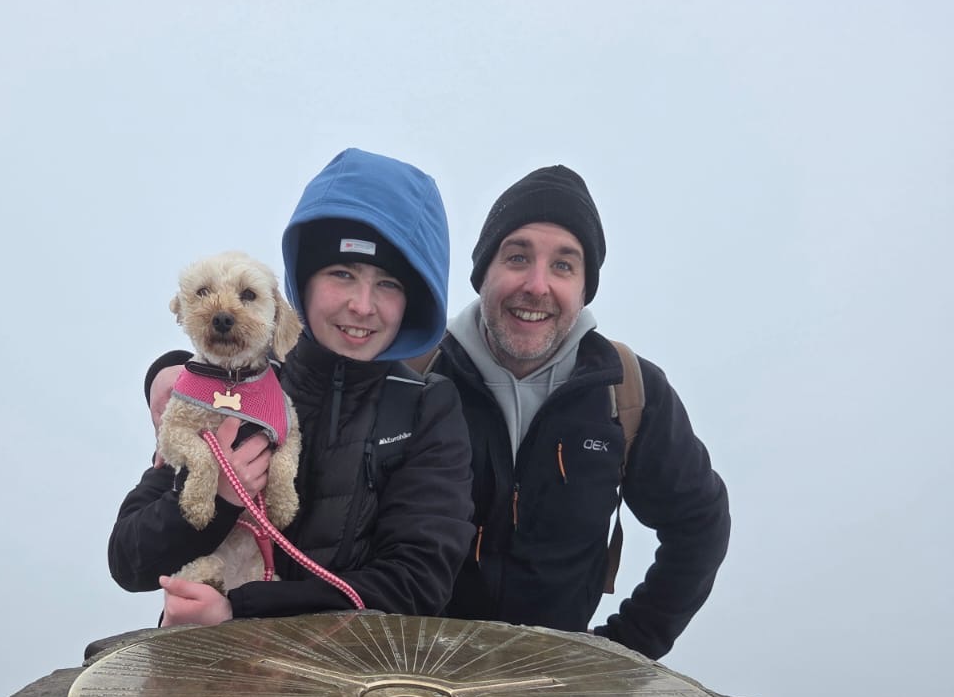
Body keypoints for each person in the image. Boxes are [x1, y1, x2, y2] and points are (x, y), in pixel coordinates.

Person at [109, 148, 474, 625]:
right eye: (342, 273)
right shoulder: (241, 387)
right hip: (211, 666)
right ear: (304, 281)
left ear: (413, 300)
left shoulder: (426, 408)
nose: (363, 306)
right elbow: (129, 560)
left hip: (348, 670)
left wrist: (238, 610)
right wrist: (221, 498)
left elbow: (418, 583)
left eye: (388, 284)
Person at [430, 165, 730, 660]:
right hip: (412, 676)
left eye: (564, 265)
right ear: (483, 271)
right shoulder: (418, 376)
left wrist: (627, 647)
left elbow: (700, 522)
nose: (537, 285)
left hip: (554, 685)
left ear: (585, 286)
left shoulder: (628, 391)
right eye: (517, 257)